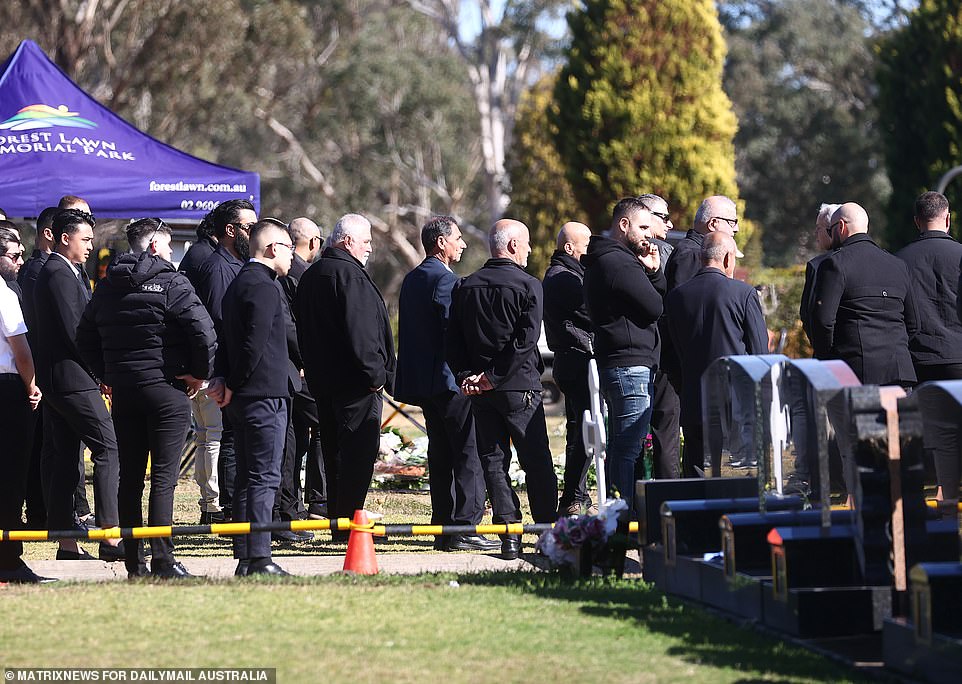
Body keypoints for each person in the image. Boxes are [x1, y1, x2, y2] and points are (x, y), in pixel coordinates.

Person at [77, 219, 216, 578]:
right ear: (155, 246)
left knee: (130, 479)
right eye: (169, 247)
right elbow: (204, 332)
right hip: (166, 390)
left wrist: (106, 376)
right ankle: (163, 561)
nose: (172, 253)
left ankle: (134, 562)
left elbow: (84, 338)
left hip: (125, 392)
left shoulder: (106, 286)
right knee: (164, 478)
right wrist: (199, 374)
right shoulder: (172, 283)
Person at [447, 219, 558, 560]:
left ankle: (509, 532)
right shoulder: (528, 285)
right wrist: (493, 376)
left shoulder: (465, 286)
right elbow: (525, 343)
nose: (530, 250)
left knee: (494, 462)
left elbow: (453, 341)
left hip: (482, 390)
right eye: (525, 244)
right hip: (518, 386)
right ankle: (544, 531)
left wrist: (470, 376)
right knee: (536, 460)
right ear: (512, 246)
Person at [395, 216, 499, 552]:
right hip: (449, 382)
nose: (463, 244)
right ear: (441, 242)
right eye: (457, 238)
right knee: (466, 453)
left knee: (441, 455)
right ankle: (465, 527)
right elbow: (454, 332)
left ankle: (443, 526)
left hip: (426, 384)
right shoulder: (445, 281)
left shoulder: (412, 279)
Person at [295, 214, 396, 541]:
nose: (369, 247)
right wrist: (376, 377)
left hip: (324, 383)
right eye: (365, 240)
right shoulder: (349, 276)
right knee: (357, 456)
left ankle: (341, 524)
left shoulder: (312, 276)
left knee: (336, 455)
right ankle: (350, 525)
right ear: (347, 240)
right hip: (356, 385)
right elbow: (362, 334)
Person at [209, 220, 298, 576]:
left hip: (244, 396)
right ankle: (260, 556)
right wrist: (234, 381)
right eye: (289, 247)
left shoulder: (238, 283)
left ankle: (247, 555)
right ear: (273, 248)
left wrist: (227, 381)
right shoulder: (264, 286)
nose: (292, 255)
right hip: (261, 393)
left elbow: (228, 341)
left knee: (248, 476)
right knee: (264, 476)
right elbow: (253, 344)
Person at [33, 209, 123, 561]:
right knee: (108, 448)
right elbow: (76, 333)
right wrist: (102, 374)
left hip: (64, 380)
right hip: (71, 380)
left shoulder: (69, 272)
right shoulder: (57, 272)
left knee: (66, 459)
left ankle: (67, 544)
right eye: (86, 239)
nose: (91, 246)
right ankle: (110, 537)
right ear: (65, 238)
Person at [665, 233, 769, 477]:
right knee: (734, 477)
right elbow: (759, 352)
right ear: (727, 258)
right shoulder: (743, 293)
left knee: (697, 471)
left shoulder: (676, 297)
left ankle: (697, 517)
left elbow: (672, 352)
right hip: (735, 402)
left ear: (702, 258)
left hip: (692, 398)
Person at [582, 198, 663, 509]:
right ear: (623, 225)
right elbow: (655, 306)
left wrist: (651, 274)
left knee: (621, 446)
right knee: (628, 448)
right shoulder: (619, 262)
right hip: (630, 364)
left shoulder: (603, 259)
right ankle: (622, 516)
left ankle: (620, 513)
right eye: (643, 227)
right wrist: (652, 273)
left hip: (619, 361)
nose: (648, 235)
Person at [193, 199, 258, 522]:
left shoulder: (240, 264)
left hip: (234, 367)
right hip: (222, 368)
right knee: (224, 438)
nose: (255, 234)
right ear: (231, 231)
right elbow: (220, 321)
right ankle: (226, 507)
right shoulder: (219, 268)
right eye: (250, 228)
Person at [897, 191, 962, 511]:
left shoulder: (901, 260)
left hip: (921, 357)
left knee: (937, 433)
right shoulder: (960, 255)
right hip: (959, 355)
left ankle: (945, 493)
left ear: (916, 222)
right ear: (948, 218)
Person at [811, 202, 918, 387]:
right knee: (897, 417)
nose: (830, 234)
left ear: (842, 227)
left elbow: (822, 321)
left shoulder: (834, 264)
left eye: (831, 230)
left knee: (858, 418)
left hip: (855, 371)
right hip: (900, 372)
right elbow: (914, 323)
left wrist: (829, 360)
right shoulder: (897, 265)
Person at [0, 229, 50, 583]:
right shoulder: (5, 295)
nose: (20, 262)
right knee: (10, 477)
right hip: (7, 389)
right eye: (14, 256)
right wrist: (32, 385)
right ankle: (8, 560)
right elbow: (21, 351)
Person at [542, 221, 596, 515]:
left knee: (581, 432)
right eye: (586, 245)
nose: (590, 251)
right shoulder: (563, 278)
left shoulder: (568, 273)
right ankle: (573, 496)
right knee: (584, 433)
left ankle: (577, 494)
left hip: (575, 360)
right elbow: (592, 312)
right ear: (569, 247)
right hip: (577, 361)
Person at [278, 217, 327, 523]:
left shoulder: (289, 273)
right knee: (320, 424)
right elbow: (294, 326)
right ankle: (318, 499)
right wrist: (309, 360)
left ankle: (295, 499)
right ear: (313, 243)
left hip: (292, 368)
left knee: (295, 436)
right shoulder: (302, 275)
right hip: (299, 370)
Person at [639, 193, 681, 479]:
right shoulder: (665, 253)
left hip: (638, 350)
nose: (670, 223)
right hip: (662, 351)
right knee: (665, 429)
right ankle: (667, 493)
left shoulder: (623, 251)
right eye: (664, 217)